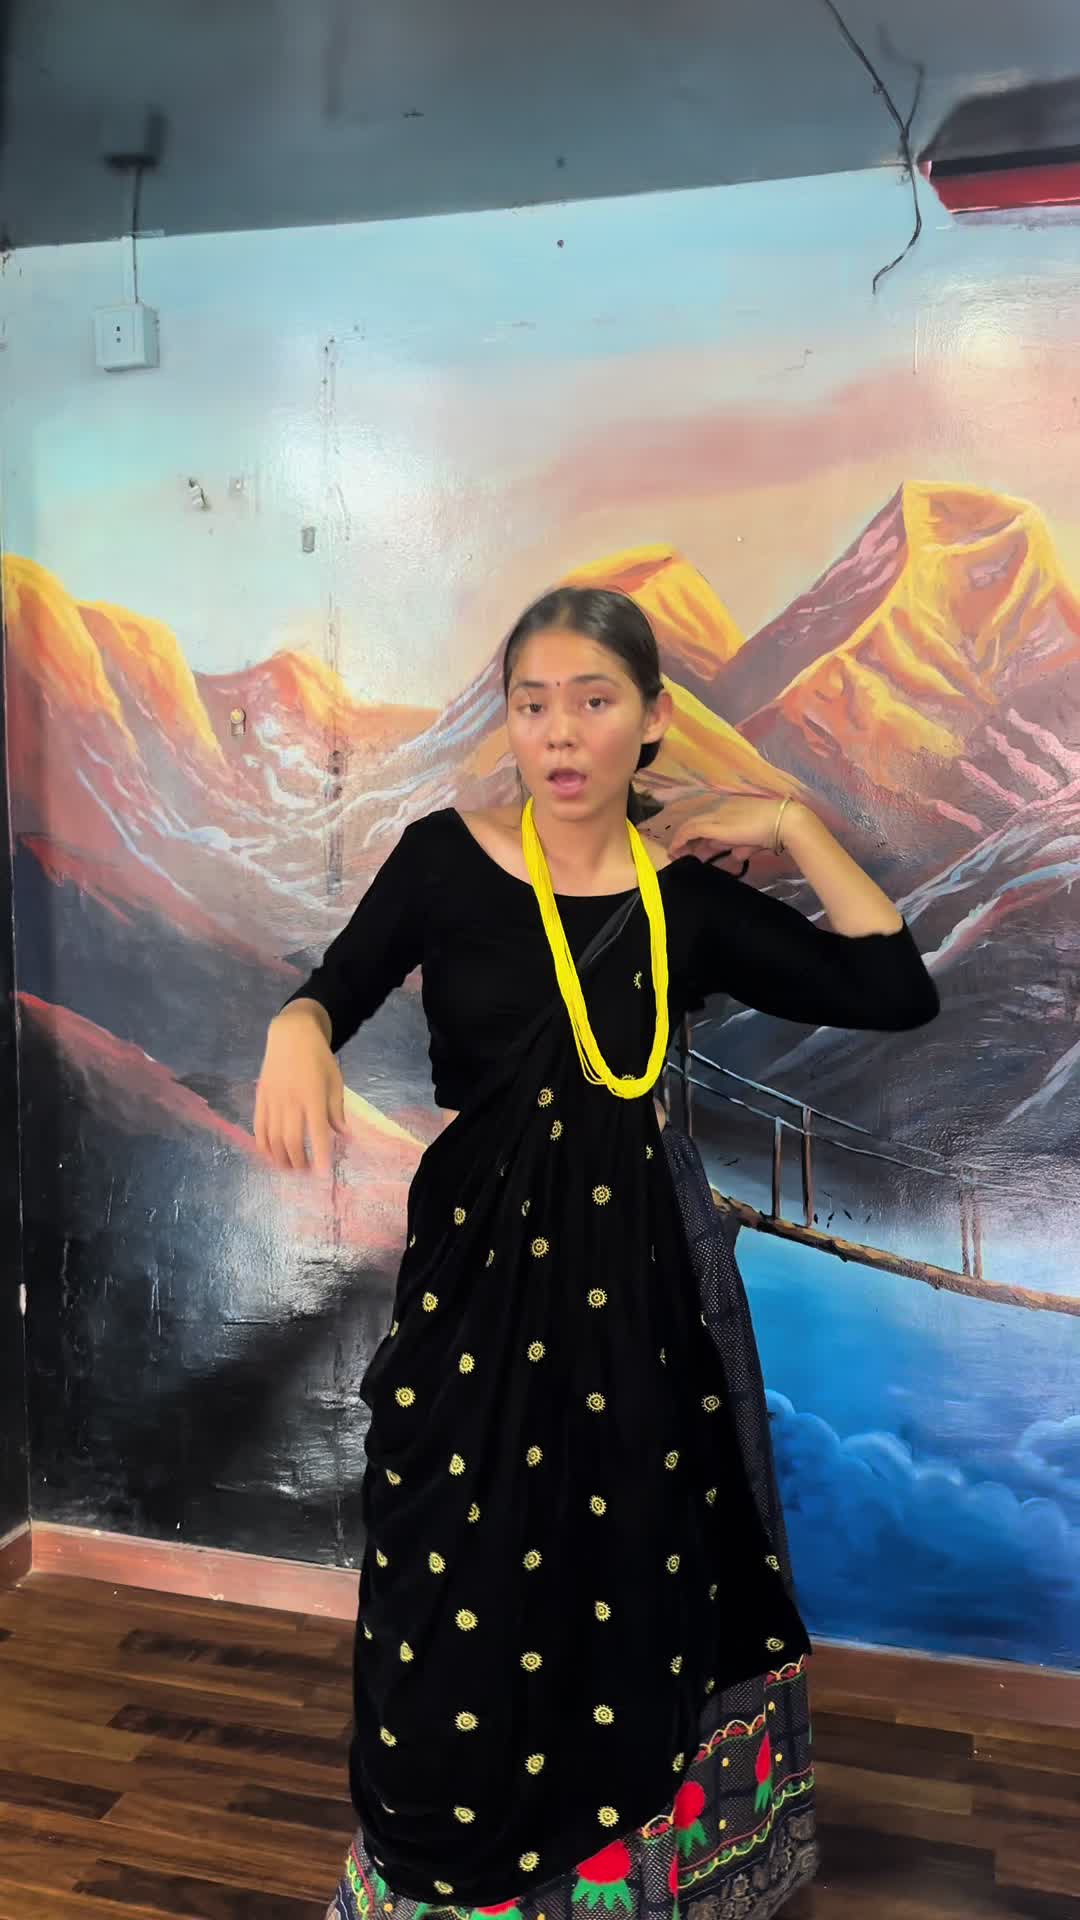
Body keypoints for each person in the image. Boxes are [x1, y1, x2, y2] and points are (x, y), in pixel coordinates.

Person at [254, 586, 939, 1920]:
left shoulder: (684, 904)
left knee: (627, 1558)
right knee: (454, 1555)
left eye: (593, 701)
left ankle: (619, 1863)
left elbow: (892, 988)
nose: (560, 734)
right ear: (508, 724)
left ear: (651, 721)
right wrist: (295, 1026)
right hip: (475, 1281)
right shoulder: (442, 862)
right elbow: (333, 988)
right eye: (533, 705)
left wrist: (791, 820)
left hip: (638, 1286)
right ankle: (445, 1865)